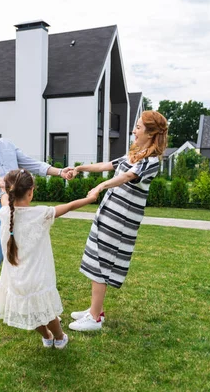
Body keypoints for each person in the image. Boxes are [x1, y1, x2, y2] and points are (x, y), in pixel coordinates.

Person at [0, 99, 74, 315]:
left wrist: (60, 172)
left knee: (20, 254)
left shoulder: (7, 145)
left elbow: (31, 164)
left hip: (17, 206)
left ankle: (19, 296)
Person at [68, 110, 168, 332]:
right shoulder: (134, 155)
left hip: (121, 220)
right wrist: (80, 167)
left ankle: (94, 318)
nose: (134, 130)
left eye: (139, 127)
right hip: (110, 213)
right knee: (96, 257)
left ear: (151, 133)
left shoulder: (150, 162)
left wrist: (102, 186)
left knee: (101, 262)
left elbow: (125, 177)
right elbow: (108, 166)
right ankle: (96, 310)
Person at [0, 169, 97, 348]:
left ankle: (47, 336)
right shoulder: (41, 213)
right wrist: (90, 198)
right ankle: (59, 336)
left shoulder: (4, 213)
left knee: (33, 313)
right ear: (30, 192)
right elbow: (70, 206)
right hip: (37, 279)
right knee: (46, 312)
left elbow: (4, 199)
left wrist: (3, 189)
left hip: (17, 280)